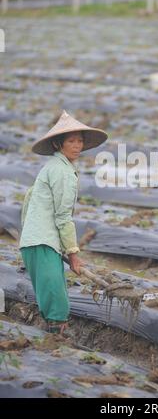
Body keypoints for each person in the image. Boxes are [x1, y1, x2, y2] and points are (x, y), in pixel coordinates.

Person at [19, 110, 108, 335]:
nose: (77, 145)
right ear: (59, 144)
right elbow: (63, 217)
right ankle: (56, 344)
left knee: (52, 298)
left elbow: (29, 200)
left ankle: (52, 341)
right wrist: (73, 254)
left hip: (36, 241)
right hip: (42, 242)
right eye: (71, 141)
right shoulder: (62, 172)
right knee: (57, 305)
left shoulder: (52, 168)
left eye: (80, 140)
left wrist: (30, 236)